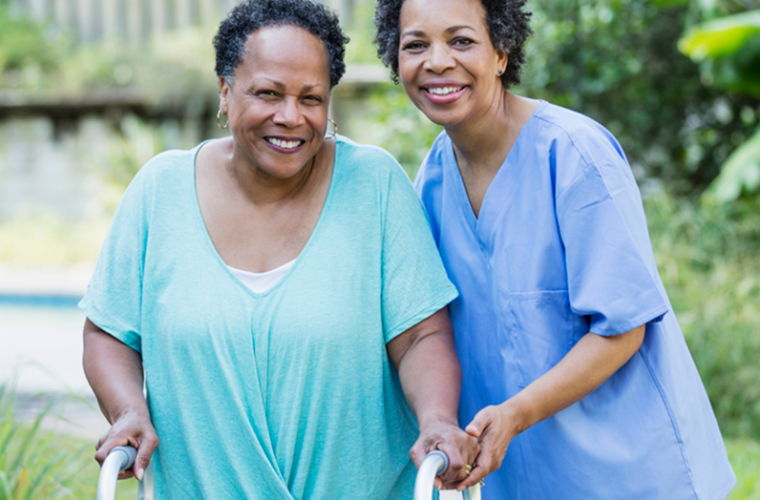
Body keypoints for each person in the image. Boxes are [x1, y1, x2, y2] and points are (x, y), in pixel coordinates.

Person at [81, 1, 480, 498]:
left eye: (311, 98)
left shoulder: (374, 185)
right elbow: (108, 332)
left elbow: (421, 336)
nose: (290, 117)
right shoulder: (160, 191)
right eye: (268, 93)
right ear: (225, 92)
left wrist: (438, 418)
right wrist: (128, 412)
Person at [374, 0, 736, 498]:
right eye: (416, 44)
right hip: (520, 480)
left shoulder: (573, 154)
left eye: (461, 41)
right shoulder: (431, 183)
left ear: (501, 51)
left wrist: (516, 414)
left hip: (627, 476)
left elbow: (623, 329)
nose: (437, 61)